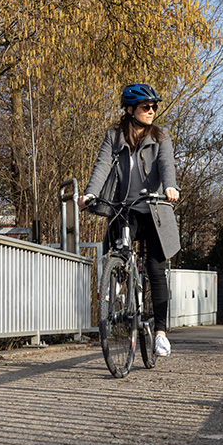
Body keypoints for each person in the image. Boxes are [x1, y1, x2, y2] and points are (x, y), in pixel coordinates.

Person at [79, 83, 181, 356]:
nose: (152, 111)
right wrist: (90, 193)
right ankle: (118, 283)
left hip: (156, 209)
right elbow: (101, 165)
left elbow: (166, 166)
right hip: (127, 207)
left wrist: (170, 188)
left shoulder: (161, 136)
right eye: (146, 107)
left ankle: (160, 333)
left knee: (156, 269)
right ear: (130, 110)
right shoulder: (114, 135)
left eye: (154, 107)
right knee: (120, 248)